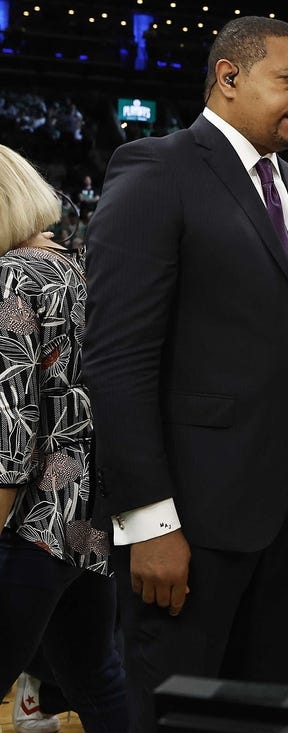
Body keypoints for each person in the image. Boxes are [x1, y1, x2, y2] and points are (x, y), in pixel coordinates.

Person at [82, 16, 288, 730]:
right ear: (229, 78)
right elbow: (116, 359)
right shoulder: (158, 168)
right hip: (190, 525)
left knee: (266, 715)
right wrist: (147, 521)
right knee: (175, 714)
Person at [0, 144, 128, 731]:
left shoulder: (7, 279)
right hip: (85, 519)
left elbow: (13, 430)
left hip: (25, 524)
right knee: (97, 680)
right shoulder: (73, 267)